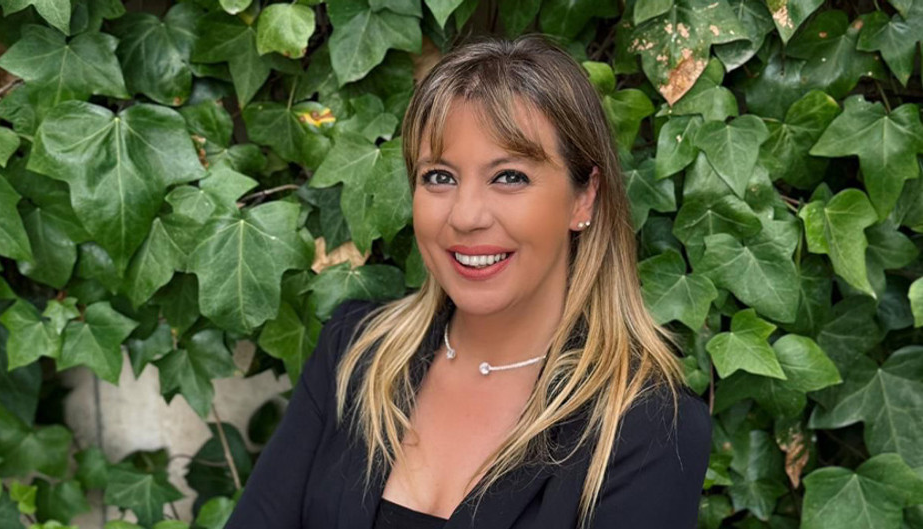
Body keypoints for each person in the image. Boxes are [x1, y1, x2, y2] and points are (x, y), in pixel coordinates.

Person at [226, 35, 712, 529]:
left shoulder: (649, 427)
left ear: (584, 197)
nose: (465, 216)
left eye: (509, 177)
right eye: (439, 177)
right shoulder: (355, 351)